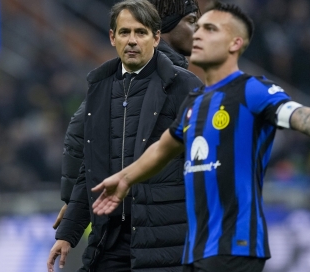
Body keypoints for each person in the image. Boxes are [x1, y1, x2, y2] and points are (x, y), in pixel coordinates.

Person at [90, 2, 310, 272]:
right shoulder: (195, 103)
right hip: (196, 248)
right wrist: (125, 179)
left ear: (235, 43)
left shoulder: (252, 90)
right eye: (198, 27)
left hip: (233, 244)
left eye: (211, 29)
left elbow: (301, 115)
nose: (197, 33)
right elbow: (162, 150)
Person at [47, 0, 202, 272]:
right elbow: (90, 167)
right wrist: (68, 233)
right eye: (125, 32)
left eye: (141, 32)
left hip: (165, 237)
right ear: (112, 37)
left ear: (156, 37)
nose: (132, 40)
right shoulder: (100, 88)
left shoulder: (185, 85)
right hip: (114, 236)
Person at [53, 0, 200, 221]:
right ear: (167, 26)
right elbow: (80, 133)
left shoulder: (175, 75)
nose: (197, 30)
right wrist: (74, 202)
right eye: (191, 21)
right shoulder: (143, 73)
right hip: (144, 217)